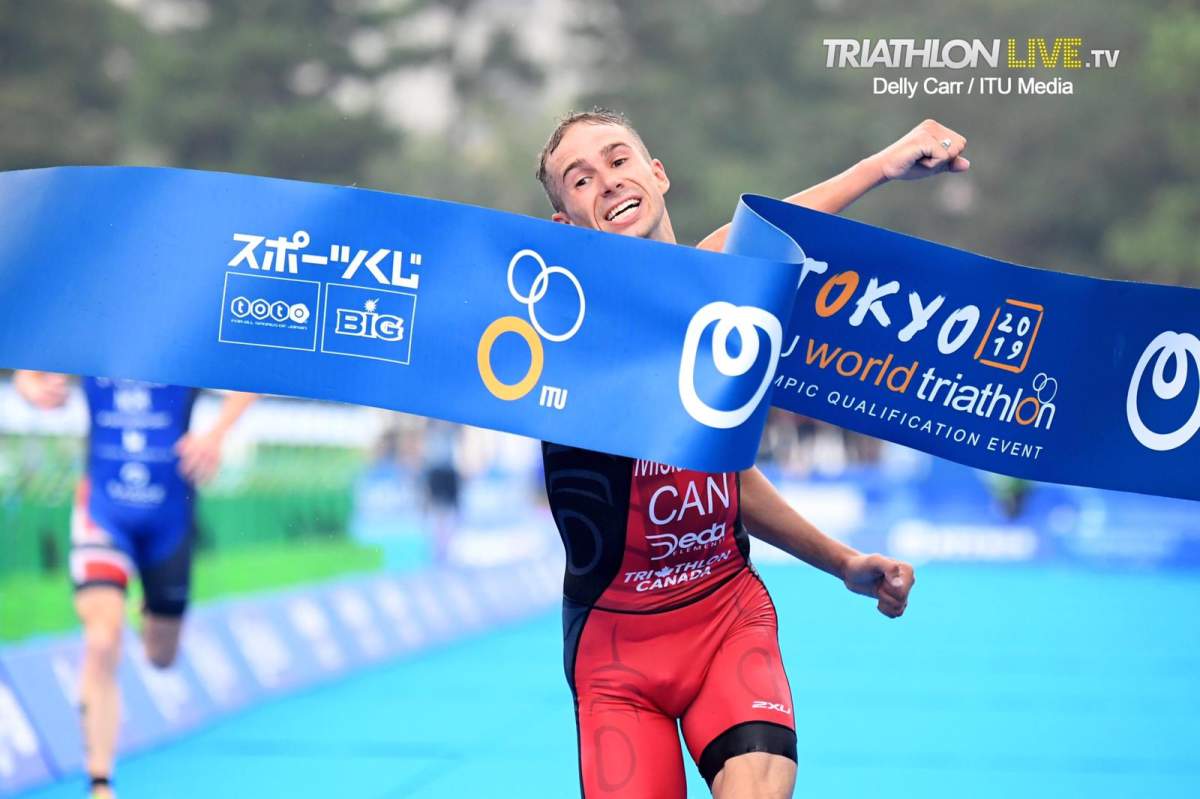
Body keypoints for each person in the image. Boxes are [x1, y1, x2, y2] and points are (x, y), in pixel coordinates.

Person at [535, 109, 968, 798]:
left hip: (726, 618)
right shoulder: (554, 337)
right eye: (580, 179)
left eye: (619, 160)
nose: (608, 182)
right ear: (564, 225)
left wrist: (845, 562)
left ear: (657, 174)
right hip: (614, 653)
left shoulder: (721, 291)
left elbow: (776, 234)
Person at [12, 371, 257, 799]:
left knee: (162, 655)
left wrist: (216, 434)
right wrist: (30, 386)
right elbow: (33, 363)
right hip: (104, 511)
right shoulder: (96, 329)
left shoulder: (185, 340)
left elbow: (250, 375)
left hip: (169, 517)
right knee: (102, 639)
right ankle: (101, 783)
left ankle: (148, 605)